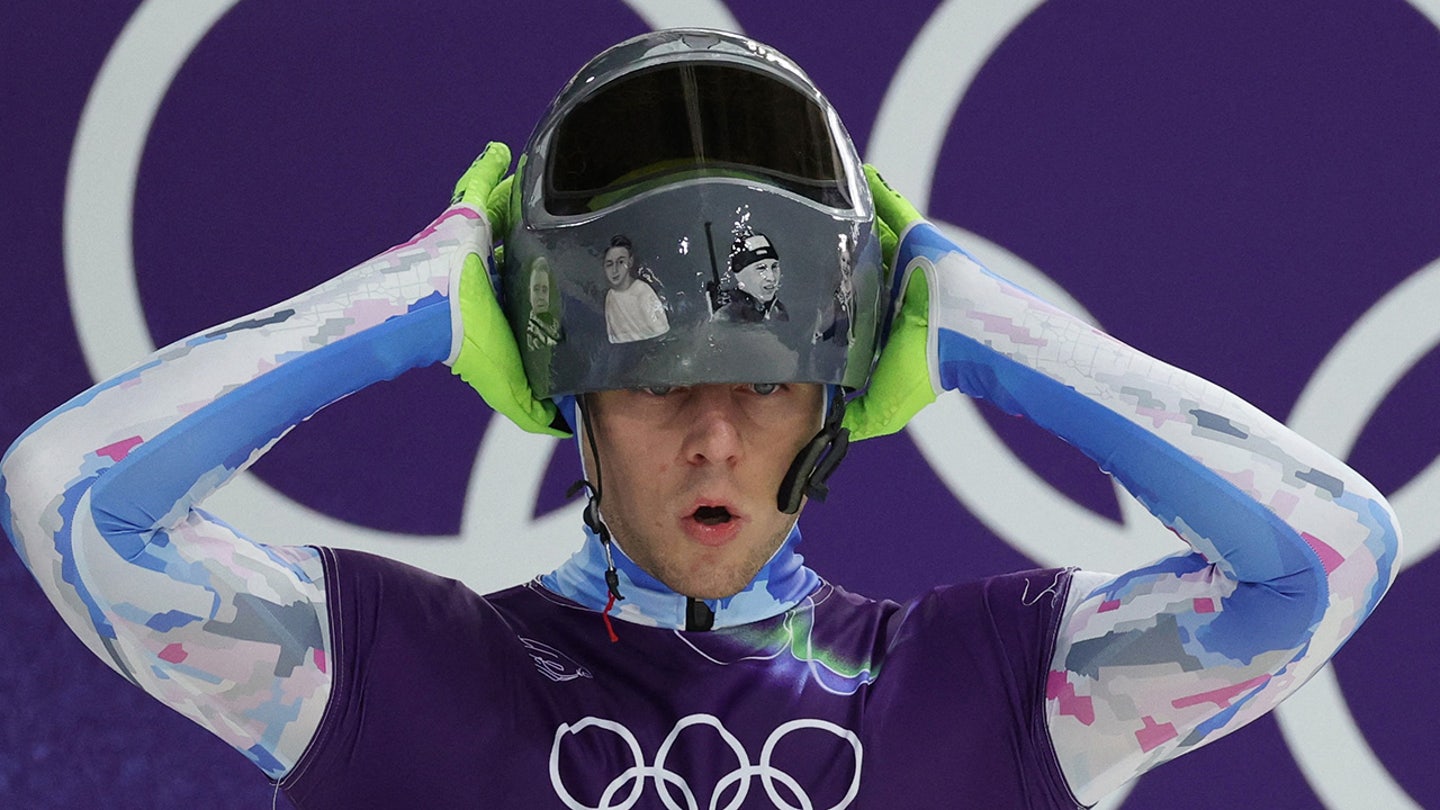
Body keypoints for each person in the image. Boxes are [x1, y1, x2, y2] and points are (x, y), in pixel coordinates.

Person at [0, 28, 1401, 809]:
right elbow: (69, 492)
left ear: (840, 393)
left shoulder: (985, 693)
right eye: (662, 384)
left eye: (768, 383)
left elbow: (1328, 554)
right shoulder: (395, 679)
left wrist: (990, 332)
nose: (717, 438)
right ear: (567, 389)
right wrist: (413, 298)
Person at [601, 234, 670, 343]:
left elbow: (660, 332)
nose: (614, 270)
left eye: (620, 262)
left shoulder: (642, 292)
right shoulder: (610, 296)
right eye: (609, 264)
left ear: (630, 262)